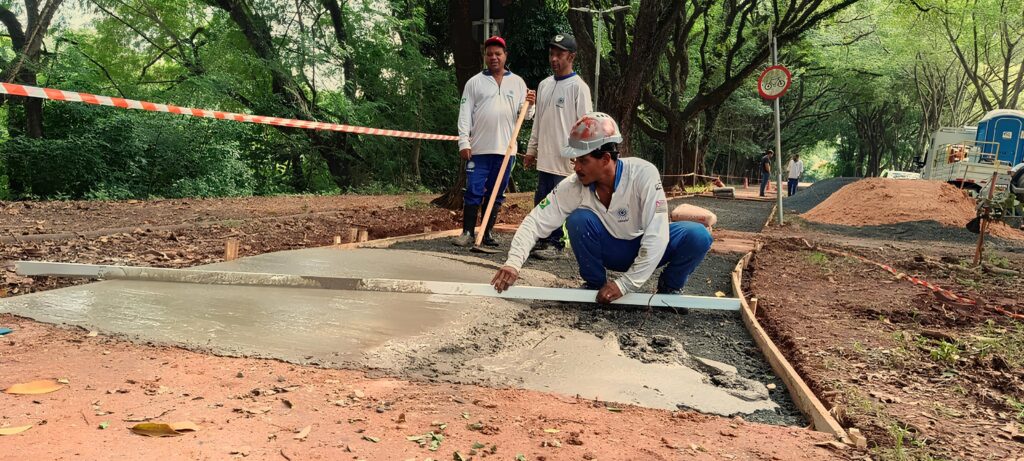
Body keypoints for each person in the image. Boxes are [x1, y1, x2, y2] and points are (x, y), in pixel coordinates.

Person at [491, 112, 713, 304]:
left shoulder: (643, 174)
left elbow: (657, 234)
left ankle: (670, 287)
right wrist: (513, 263)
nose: (576, 167)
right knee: (578, 219)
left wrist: (626, 285)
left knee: (698, 235)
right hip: (612, 249)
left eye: (583, 161)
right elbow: (536, 221)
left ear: (606, 158)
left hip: (643, 244)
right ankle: (595, 284)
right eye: (574, 161)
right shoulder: (573, 186)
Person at [454, 36, 536, 247]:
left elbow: (525, 116)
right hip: (479, 150)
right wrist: (464, 142)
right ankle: (468, 233)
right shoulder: (474, 83)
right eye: (489, 54)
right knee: (473, 190)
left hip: (505, 151)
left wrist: (530, 105)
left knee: (496, 193)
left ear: (505, 56)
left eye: (498, 54)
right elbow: (464, 114)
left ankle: (487, 232)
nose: (494, 57)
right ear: (485, 57)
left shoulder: (517, 82)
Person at [523, 33, 593, 260]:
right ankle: (543, 240)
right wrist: (532, 150)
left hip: (566, 160)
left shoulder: (578, 87)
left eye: (559, 55)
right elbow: (539, 121)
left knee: (559, 202)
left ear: (571, 57)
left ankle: (556, 243)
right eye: (552, 54)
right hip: (545, 157)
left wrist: (582, 155)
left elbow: (586, 124)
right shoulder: (544, 85)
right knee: (542, 201)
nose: (554, 59)